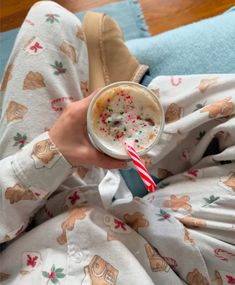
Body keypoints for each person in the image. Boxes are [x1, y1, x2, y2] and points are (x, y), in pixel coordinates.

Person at [0, 2, 234, 284]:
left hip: (33, 242)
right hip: (169, 257)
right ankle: (135, 117)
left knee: (49, 21)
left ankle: (122, 126)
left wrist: (47, 156)